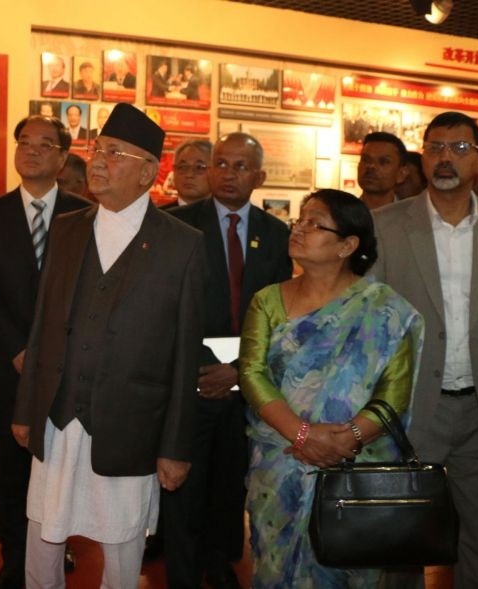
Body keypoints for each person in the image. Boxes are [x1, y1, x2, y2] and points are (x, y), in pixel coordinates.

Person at [12, 102, 205, 589]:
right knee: (42, 535)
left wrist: (175, 446)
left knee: (122, 549)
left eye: (115, 153)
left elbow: (186, 356)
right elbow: (42, 326)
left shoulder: (182, 244)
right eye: (98, 150)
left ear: (147, 172)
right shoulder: (67, 228)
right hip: (58, 415)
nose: (98, 161)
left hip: (130, 425)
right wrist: (26, 408)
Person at [373, 111, 478, 589]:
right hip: (408, 409)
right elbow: (371, 324)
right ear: (421, 158)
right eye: (436, 148)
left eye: (460, 148)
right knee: (400, 538)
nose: (446, 157)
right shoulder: (385, 225)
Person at [240, 189, 423, 587]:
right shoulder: (267, 301)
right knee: (274, 569)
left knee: (346, 569)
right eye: (299, 220)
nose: (298, 229)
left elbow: (393, 394)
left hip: (355, 472)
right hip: (280, 464)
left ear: (347, 245)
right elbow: (252, 374)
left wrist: (346, 440)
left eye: (314, 223)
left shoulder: (385, 309)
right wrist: (303, 435)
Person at [165, 132, 292, 589]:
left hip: (246, 381)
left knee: (230, 481)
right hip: (191, 379)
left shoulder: (276, 234)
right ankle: (181, 573)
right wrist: (205, 369)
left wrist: (237, 372)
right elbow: (166, 310)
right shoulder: (176, 225)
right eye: (220, 163)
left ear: (259, 176)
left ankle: (219, 563)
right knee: (183, 484)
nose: (228, 174)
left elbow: (279, 314)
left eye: (241, 166)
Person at [0, 115, 90, 589]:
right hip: (8, 364)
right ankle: (14, 557)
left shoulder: (85, 215)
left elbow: (89, 294)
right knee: (7, 468)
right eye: (24, 142)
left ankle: (57, 546)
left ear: (62, 158)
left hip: (66, 369)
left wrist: (52, 355)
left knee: (61, 465)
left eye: (45, 144)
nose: (32, 150)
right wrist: (19, 350)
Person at [358, 131, 407, 210]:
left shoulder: (413, 216)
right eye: (366, 159)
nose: (371, 166)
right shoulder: (342, 214)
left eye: (383, 162)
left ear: (401, 174)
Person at [165, 138, 212, 208]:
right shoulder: (156, 214)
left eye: (199, 167)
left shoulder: (224, 214)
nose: (189, 175)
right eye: (183, 167)